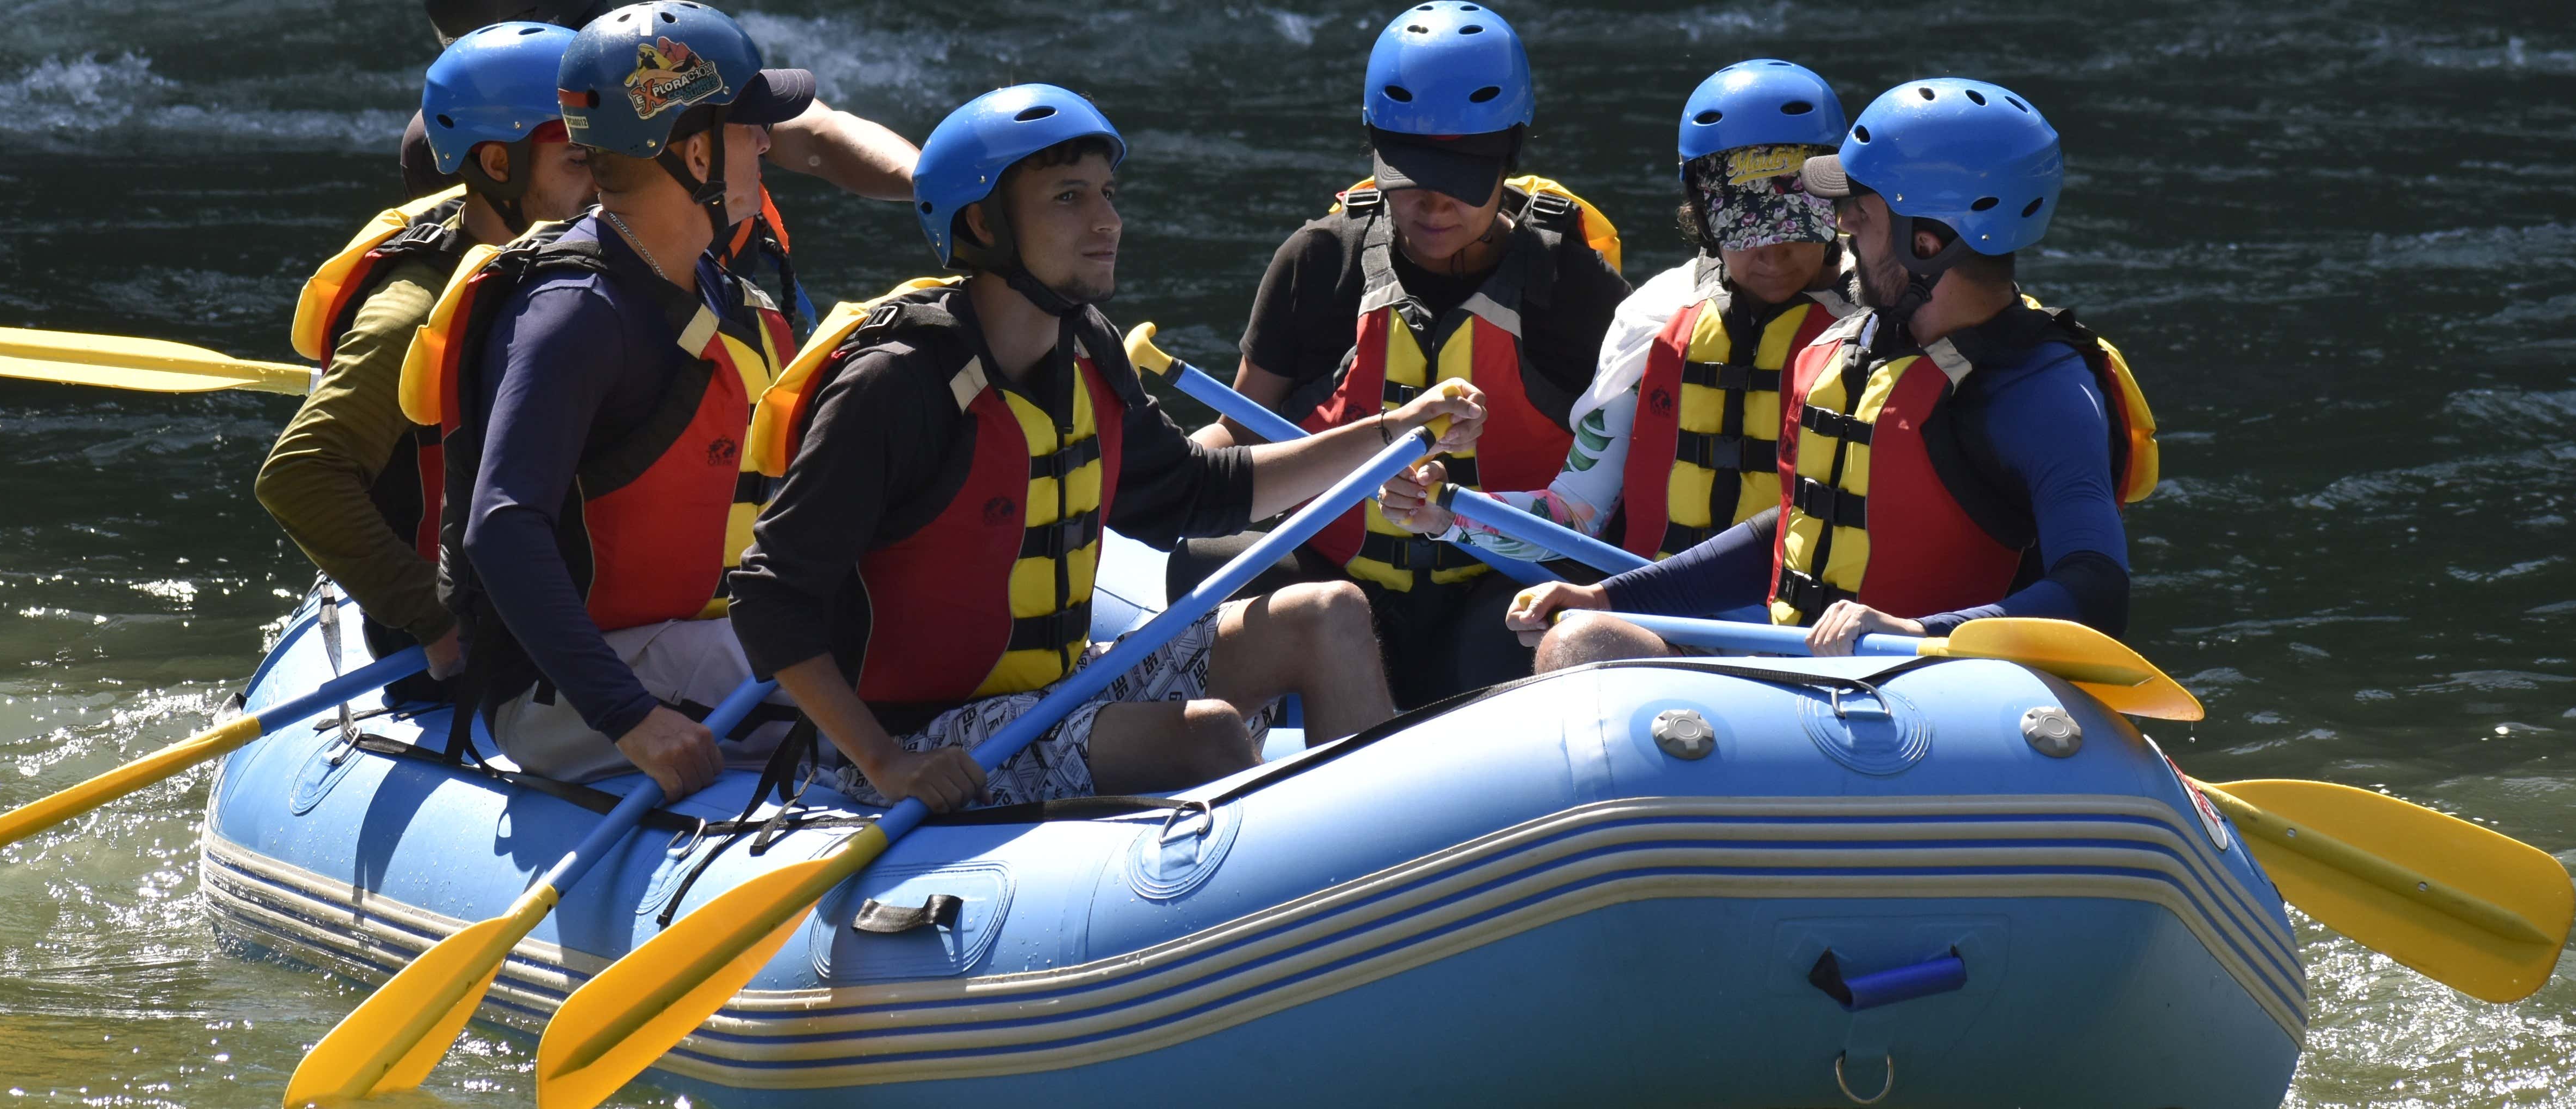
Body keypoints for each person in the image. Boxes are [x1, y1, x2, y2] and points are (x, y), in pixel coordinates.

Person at [727, 85, 1484, 812]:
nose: (1108, 221)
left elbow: (1198, 490)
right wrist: (884, 761)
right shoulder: (895, 386)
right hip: (920, 734)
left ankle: (1382, 854)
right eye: (1069, 197)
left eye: (1107, 193)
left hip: (1059, 686)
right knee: (1208, 735)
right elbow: (768, 596)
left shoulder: (1087, 348)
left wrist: (1392, 431)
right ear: (983, 225)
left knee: (1330, 614)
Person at [1509, 78, 2160, 669]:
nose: (1840, 225)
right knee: (1581, 640)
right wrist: (1608, 595)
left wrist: (1916, 631)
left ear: (1927, 242)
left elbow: (2095, 588)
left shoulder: (2041, 390)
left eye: (1861, 211)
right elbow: (1795, 524)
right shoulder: (1845, 349)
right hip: (1795, 664)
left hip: (1929, 689)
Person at [424, 1, 817, 798]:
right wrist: (628, 715)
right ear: (697, 153)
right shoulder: (575, 313)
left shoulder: (709, 286)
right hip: (569, 691)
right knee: (857, 687)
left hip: (688, 638)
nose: (766, 143)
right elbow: (502, 527)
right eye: (750, 127)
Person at [1195, 0, 1631, 707]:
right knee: (1199, 562)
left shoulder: (1572, 286)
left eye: (1463, 176)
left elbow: (1622, 479)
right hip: (1335, 578)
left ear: (1508, 157)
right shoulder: (1319, 261)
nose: (1434, 204)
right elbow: (1239, 433)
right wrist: (1148, 473)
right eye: (1411, 172)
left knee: (1523, 640)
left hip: (1497, 589)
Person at [1384, 59, 1854, 566]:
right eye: (1746, 227)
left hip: (1821, 614)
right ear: (1704, 218)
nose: (1773, 255)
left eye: (1795, 223)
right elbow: (1574, 514)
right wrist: (1446, 514)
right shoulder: (1655, 318)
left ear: (1835, 208)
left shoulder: (1886, 320)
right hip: (1664, 605)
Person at [256, 21, 595, 698]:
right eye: (578, 162)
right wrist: (433, 616)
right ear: (497, 166)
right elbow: (298, 474)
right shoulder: (413, 312)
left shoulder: (564, 256)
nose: (605, 186)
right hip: (475, 635)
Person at [404, 0, 917, 334]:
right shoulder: (462, 136)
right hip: (619, 328)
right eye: (579, 155)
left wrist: (931, 185)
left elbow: (817, 131)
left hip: (733, 306)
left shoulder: (645, 68)